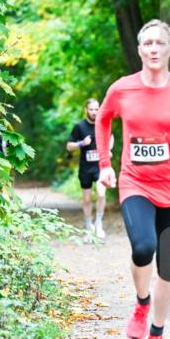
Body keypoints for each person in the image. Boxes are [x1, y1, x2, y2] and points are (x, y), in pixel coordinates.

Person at [95, 19, 170, 339]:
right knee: (143, 246)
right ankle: (142, 303)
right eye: (148, 43)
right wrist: (104, 164)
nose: (154, 48)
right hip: (135, 182)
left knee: (169, 268)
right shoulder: (122, 89)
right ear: (141, 50)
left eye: (160, 43)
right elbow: (103, 119)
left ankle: (156, 337)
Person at [66, 98, 111, 238]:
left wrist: (109, 148)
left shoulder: (103, 124)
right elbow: (69, 146)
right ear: (86, 110)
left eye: (96, 109)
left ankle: (98, 224)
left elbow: (112, 137)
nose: (94, 112)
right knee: (86, 200)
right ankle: (88, 226)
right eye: (91, 109)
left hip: (100, 167)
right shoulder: (79, 126)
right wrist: (82, 143)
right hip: (86, 168)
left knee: (101, 194)